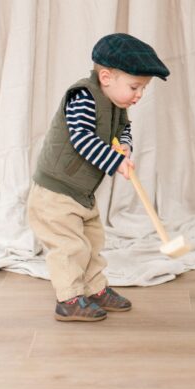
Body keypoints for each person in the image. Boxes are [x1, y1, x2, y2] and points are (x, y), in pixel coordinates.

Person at [27, 33, 169, 322]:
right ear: (106, 77)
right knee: (69, 246)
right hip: (55, 192)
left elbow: (122, 131)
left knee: (92, 241)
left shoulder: (118, 105)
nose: (139, 94)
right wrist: (115, 161)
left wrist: (125, 146)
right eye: (134, 87)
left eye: (143, 89)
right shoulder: (83, 96)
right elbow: (82, 138)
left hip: (81, 191)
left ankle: (94, 288)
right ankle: (68, 299)